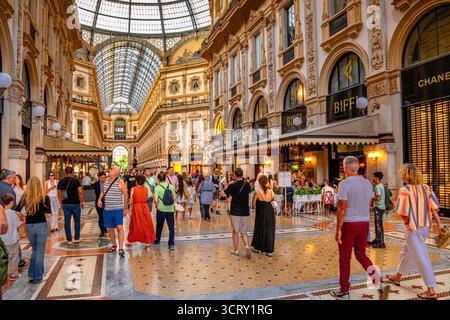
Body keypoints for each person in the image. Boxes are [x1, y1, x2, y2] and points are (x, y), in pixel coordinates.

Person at [331, 156, 389, 299]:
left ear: (344, 168)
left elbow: (341, 209)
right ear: (356, 167)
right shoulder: (368, 184)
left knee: (345, 258)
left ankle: (344, 290)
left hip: (349, 224)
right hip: (364, 224)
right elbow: (369, 204)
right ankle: (379, 283)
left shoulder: (344, 184)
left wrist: (338, 229)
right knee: (361, 255)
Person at [384, 164, 444, 300]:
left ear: (407, 175)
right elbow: (434, 208)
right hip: (425, 227)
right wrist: (439, 224)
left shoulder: (405, 189)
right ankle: (397, 277)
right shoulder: (426, 188)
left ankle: (431, 289)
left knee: (420, 256)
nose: (402, 176)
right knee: (406, 251)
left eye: (403, 173)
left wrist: (405, 221)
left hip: (412, 228)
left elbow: (402, 211)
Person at [16, 177, 52, 284]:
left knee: (35, 250)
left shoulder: (25, 197)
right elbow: (49, 214)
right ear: (39, 185)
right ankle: (38, 277)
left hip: (29, 226)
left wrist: (24, 217)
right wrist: (44, 214)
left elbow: (17, 211)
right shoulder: (45, 197)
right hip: (41, 225)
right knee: (40, 251)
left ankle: (31, 274)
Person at [97, 166, 128, 258]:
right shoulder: (105, 181)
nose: (109, 170)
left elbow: (126, 195)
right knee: (110, 229)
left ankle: (121, 247)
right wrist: (99, 199)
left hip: (117, 209)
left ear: (117, 172)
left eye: (112, 169)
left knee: (119, 227)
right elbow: (103, 192)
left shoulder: (120, 182)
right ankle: (114, 245)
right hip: (107, 209)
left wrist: (125, 208)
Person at [221, 168, 252, 259]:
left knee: (235, 231)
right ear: (242, 174)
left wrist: (228, 185)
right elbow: (249, 192)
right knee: (244, 231)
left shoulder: (232, 185)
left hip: (235, 211)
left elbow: (222, 194)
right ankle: (246, 245)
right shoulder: (247, 184)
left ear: (235, 175)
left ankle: (236, 249)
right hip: (245, 211)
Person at [126, 175, 156, 250]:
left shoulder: (133, 189)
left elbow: (132, 201)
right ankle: (147, 244)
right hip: (145, 207)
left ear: (137, 181)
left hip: (137, 208)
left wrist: (129, 208)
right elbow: (147, 197)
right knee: (146, 224)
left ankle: (130, 242)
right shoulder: (146, 189)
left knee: (135, 224)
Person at [58, 166, 85, 245]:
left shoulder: (61, 181)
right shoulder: (76, 180)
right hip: (76, 204)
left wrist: (60, 203)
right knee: (77, 221)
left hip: (66, 204)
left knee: (67, 222)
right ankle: (77, 238)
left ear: (64, 172)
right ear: (72, 172)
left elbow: (59, 193)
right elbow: (80, 191)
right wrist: (82, 201)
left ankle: (69, 239)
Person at [251, 175, 276, 257]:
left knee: (260, 229)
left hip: (261, 212)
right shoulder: (271, 191)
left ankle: (259, 248)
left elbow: (253, 203)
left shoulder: (258, 192)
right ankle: (269, 250)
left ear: (259, 182)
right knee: (269, 230)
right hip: (270, 212)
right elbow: (275, 202)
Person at [0, 194, 22, 281]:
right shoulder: (13, 213)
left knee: (5, 258)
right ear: (12, 202)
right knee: (14, 257)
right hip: (12, 239)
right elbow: (18, 225)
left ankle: (5, 274)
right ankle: (13, 274)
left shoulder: (1, 213)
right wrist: (23, 220)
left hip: (3, 240)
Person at [153, 172, 177, 250]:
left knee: (159, 225)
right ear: (165, 179)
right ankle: (171, 244)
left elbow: (155, 200)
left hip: (161, 209)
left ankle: (157, 240)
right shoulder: (170, 186)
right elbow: (174, 197)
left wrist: (157, 206)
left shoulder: (157, 188)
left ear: (158, 179)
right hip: (170, 209)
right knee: (171, 227)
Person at [371, 171, 386, 248]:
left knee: (378, 224)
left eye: (373, 177)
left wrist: (371, 198)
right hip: (381, 207)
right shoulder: (381, 185)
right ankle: (377, 239)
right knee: (378, 224)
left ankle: (381, 242)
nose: (372, 178)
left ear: (377, 178)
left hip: (378, 207)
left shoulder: (377, 187)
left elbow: (378, 198)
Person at [93, 172, 108, 237]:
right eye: (102, 178)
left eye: (104, 177)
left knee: (106, 216)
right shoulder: (96, 184)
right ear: (99, 177)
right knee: (101, 216)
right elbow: (96, 193)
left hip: (107, 202)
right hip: (99, 202)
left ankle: (105, 228)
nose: (103, 179)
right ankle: (102, 231)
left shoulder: (108, 184)